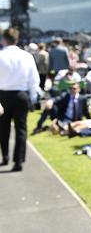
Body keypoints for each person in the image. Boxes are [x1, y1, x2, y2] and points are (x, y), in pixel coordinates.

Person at [0, 28, 40, 172]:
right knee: (21, 129)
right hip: (21, 95)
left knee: (3, 128)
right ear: (16, 40)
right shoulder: (26, 56)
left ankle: (5, 155)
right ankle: (18, 161)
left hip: (3, 95)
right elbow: (34, 79)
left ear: (4, 40)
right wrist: (33, 97)